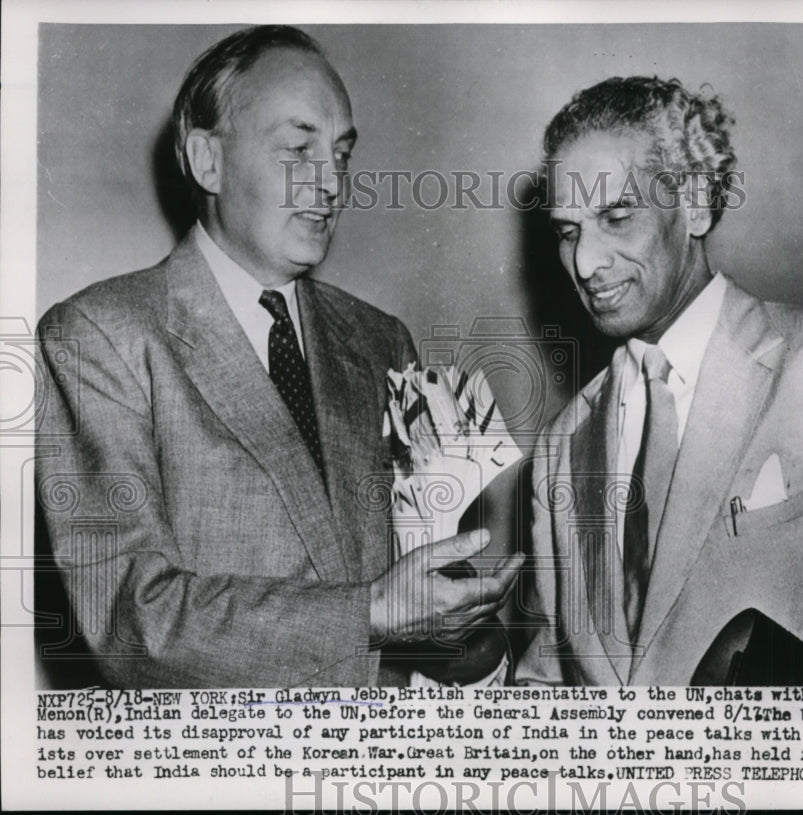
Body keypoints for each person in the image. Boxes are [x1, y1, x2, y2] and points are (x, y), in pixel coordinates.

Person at [35, 25, 521, 688]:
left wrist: (471, 636)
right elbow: (131, 619)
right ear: (207, 160)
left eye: (342, 155)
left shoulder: (383, 342)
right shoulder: (101, 336)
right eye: (299, 148)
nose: (331, 184)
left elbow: (419, 617)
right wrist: (371, 613)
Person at [515, 76, 803, 686]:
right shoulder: (558, 448)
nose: (584, 262)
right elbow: (550, 679)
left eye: (617, 217)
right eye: (568, 231)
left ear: (696, 203)